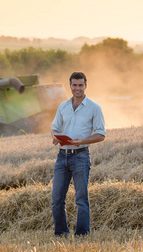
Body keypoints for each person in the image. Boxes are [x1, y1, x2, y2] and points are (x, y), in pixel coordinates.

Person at [51, 72, 106, 236]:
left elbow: (101, 134)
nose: (77, 88)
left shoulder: (94, 108)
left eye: (80, 85)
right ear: (70, 86)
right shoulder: (63, 107)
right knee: (56, 199)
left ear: (85, 86)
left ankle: (82, 234)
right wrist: (54, 137)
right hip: (62, 157)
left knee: (81, 199)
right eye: (74, 85)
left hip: (81, 156)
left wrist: (81, 141)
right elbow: (55, 127)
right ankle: (61, 233)